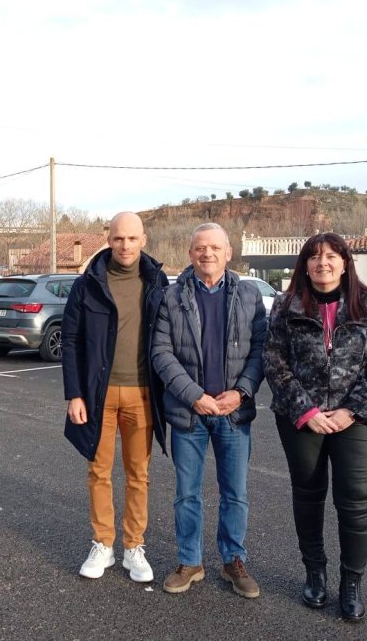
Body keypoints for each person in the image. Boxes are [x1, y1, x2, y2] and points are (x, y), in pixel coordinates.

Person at [263, 232, 367, 622]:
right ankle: (315, 573)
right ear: (304, 265)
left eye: (331, 256)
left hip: (355, 419)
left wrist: (351, 411)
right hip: (301, 418)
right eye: (315, 256)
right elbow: (274, 361)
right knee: (308, 495)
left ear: (344, 262)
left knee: (355, 501)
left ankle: (351, 582)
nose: (323, 263)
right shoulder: (286, 305)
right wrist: (305, 411)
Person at [151, 223, 267, 597]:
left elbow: (261, 352)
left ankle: (233, 560)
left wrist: (242, 392)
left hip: (233, 413)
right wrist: (194, 395)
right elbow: (161, 353)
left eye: (215, 247)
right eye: (200, 247)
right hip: (190, 412)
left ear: (228, 252)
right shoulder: (171, 298)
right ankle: (190, 561)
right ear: (190, 253)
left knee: (235, 492)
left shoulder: (250, 296)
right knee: (187, 493)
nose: (208, 254)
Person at [61, 211, 169, 583]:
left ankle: (133, 547)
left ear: (144, 240)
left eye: (132, 238)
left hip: (143, 393)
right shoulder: (88, 282)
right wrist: (74, 394)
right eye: (118, 238)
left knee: (139, 475)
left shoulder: (157, 281)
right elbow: (71, 340)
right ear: (109, 239)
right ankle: (102, 544)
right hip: (97, 395)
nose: (125, 245)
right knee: (99, 471)